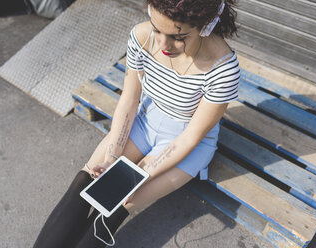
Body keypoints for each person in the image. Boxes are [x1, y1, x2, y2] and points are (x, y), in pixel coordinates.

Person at [33, 0, 240, 247]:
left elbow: (190, 137)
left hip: (186, 144)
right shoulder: (141, 37)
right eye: (157, 29)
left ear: (205, 27)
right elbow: (129, 101)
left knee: (120, 199)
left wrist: (136, 177)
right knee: (87, 178)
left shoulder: (223, 68)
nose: (163, 44)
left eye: (177, 36)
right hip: (144, 123)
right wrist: (112, 157)